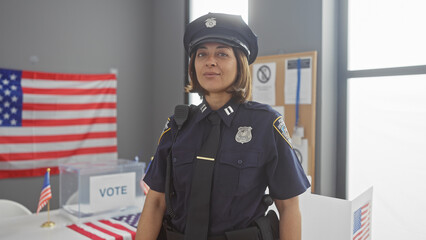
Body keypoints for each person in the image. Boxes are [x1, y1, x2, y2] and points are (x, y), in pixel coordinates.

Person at [136, 12, 310, 240]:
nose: (210, 61)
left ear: (240, 64)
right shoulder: (177, 126)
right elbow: (156, 202)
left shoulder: (266, 124)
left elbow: (288, 207)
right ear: (193, 65)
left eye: (222, 53)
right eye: (201, 54)